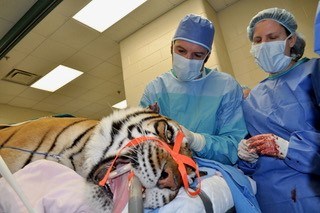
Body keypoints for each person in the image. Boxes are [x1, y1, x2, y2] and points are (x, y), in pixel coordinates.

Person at [237, 7, 320, 212]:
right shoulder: (252, 99)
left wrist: (289, 149)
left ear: (290, 40)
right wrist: (247, 157)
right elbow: (251, 163)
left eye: (272, 37)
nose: (264, 45)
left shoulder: (315, 73)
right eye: (257, 40)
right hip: (272, 200)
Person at [140, 14, 247, 165]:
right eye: (181, 51)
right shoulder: (155, 89)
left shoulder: (226, 86)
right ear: (171, 48)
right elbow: (140, 140)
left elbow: (234, 145)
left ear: (207, 57)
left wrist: (197, 141)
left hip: (216, 169)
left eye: (197, 55)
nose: (187, 59)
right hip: (167, 166)